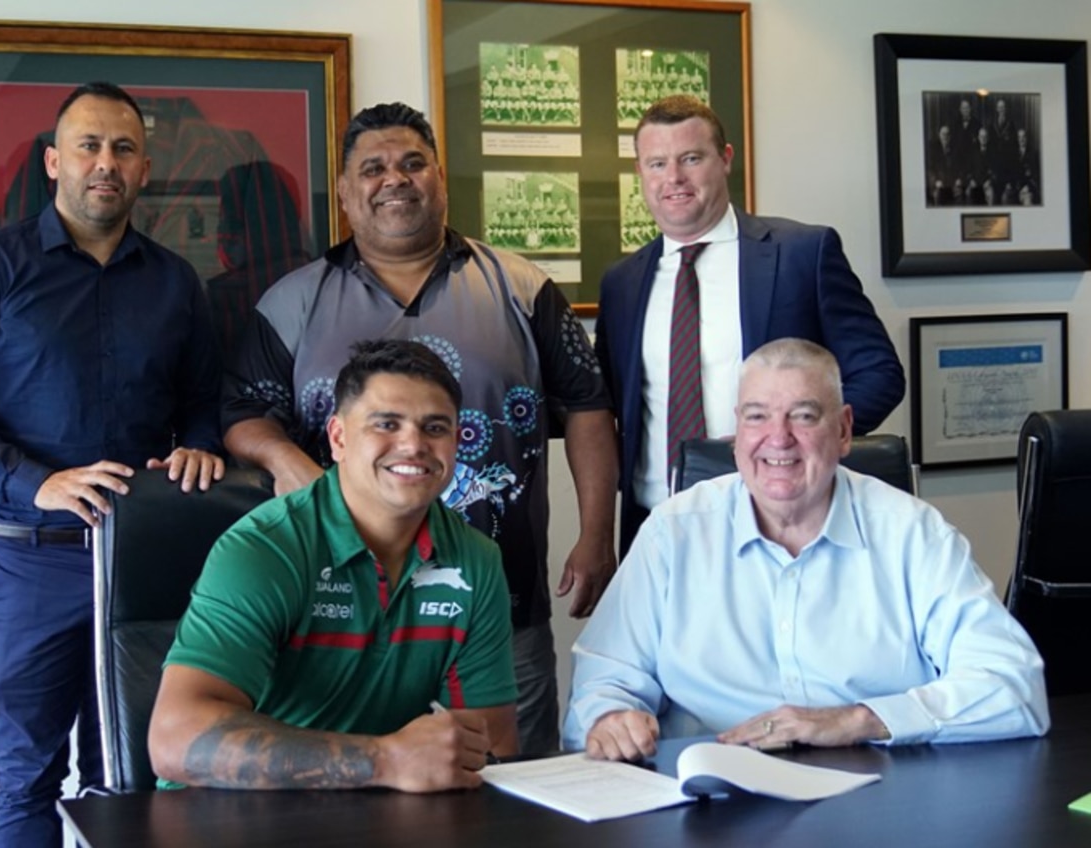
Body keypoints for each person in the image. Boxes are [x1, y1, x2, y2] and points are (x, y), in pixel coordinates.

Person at [222, 102, 617, 754]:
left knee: (514, 799)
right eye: (372, 169)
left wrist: (597, 535)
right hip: (338, 613)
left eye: (412, 163)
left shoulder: (524, 287)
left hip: (500, 605)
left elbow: (588, 406)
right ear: (347, 194)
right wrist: (284, 458)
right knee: (356, 791)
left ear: (441, 179)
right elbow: (241, 414)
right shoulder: (294, 302)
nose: (394, 179)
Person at [0, 82, 225, 847]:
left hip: (145, 567)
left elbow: (205, 404)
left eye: (122, 148)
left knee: (132, 777)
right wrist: (36, 482)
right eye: (87, 145)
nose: (104, 163)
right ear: (55, 161)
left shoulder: (175, 282)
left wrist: (201, 447)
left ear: (145, 169)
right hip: (27, 568)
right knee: (26, 780)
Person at [563, 338, 1050, 758]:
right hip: (709, 799)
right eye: (758, 416)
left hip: (879, 794)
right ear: (737, 432)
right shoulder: (674, 533)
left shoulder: (910, 532)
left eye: (804, 416)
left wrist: (858, 721)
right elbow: (603, 677)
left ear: (842, 431)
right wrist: (611, 717)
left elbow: (1013, 688)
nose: (779, 438)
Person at [150, 339, 519, 791]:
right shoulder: (266, 548)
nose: (413, 444)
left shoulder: (476, 560)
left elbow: (488, 745)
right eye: (387, 424)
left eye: (435, 428)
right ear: (339, 438)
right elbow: (174, 741)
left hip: (381, 813)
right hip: (229, 813)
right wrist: (383, 761)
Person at [596, 95, 904, 557]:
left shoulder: (803, 253)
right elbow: (606, 412)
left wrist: (791, 440)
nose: (673, 178)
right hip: (656, 529)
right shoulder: (622, 284)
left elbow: (879, 374)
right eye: (657, 163)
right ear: (640, 173)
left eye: (691, 159)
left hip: (784, 523)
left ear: (725, 160)